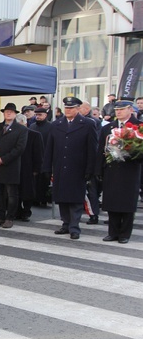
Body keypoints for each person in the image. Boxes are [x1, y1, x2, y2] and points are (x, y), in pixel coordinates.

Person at [42, 96, 98, 240]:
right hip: (60, 166)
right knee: (62, 197)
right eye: (66, 108)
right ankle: (65, 223)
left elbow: (92, 149)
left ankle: (74, 227)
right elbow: (50, 148)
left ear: (78, 109)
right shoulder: (57, 124)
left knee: (75, 199)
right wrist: (47, 167)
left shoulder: (87, 124)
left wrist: (90, 170)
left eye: (71, 108)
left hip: (78, 167)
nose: (68, 110)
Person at [96, 100, 141, 243]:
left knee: (127, 203)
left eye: (122, 109)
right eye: (117, 110)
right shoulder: (109, 127)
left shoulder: (138, 127)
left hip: (130, 169)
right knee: (112, 201)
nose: (118, 112)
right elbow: (100, 150)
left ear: (130, 110)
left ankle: (124, 234)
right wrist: (98, 169)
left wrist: (132, 152)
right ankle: (113, 232)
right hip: (112, 169)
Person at [0, 103, 27, 229]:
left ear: (15, 114)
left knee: (11, 194)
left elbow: (19, 149)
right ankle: (0, 216)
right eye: (6, 111)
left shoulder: (21, 130)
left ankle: (10, 217)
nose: (8, 113)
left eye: (11, 112)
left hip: (10, 166)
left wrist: (3, 159)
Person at [15, 113, 44, 221]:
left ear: (25, 123)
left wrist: (37, 169)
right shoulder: (13, 134)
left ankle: (26, 212)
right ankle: (17, 211)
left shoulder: (35, 135)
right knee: (15, 192)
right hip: (15, 167)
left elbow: (39, 153)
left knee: (28, 192)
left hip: (29, 168)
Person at [79, 101, 102, 224]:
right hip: (78, 161)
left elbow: (94, 144)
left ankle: (94, 215)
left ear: (86, 109)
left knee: (91, 190)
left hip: (89, 161)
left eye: (80, 108)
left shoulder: (94, 122)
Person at [29, 105, 52, 205]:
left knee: (45, 179)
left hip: (47, 156)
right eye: (36, 115)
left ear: (45, 115)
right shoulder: (33, 126)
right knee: (35, 179)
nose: (38, 117)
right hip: (34, 156)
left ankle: (44, 199)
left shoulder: (51, 127)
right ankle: (35, 198)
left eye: (40, 115)